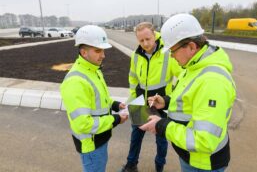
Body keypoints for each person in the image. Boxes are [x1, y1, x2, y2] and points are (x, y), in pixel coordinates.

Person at [140, 14, 236, 172]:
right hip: (191, 156)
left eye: (173, 51)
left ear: (191, 47)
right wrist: (166, 101)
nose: (171, 56)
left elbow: (203, 141)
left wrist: (162, 125)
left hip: (203, 163)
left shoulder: (212, 81)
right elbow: (191, 98)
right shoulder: (193, 66)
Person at [60, 25, 128, 172]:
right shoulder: (75, 81)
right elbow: (83, 124)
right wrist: (116, 119)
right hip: (91, 145)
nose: (103, 55)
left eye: (103, 50)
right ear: (84, 52)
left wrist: (116, 105)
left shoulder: (93, 70)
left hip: (100, 138)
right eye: (98, 50)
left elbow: (99, 99)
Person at [121, 22, 182, 172]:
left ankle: (159, 166)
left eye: (148, 39)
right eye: (141, 41)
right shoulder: (136, 55)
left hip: (160, 103)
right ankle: (131, 165)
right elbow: (133, 78)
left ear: (154, 35)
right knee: (136, 136)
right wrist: (134, 98)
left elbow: (183, 77)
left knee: (161, 139)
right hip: (140, 101)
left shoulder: (168, 53)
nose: (145, 43)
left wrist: (170, 98)